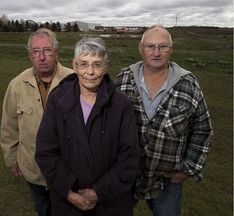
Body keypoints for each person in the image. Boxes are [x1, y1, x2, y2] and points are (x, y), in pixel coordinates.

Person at [115, 24, 214, 216]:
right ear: (140, 48)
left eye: (163, 47)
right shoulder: (124, 79)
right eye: (150, 46)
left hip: (167, 181)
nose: (156, 53)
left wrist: (188, 169)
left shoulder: (188, 84)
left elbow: (203, 129)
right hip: (126, 176)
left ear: (171, 49)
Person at [35, 36, 140, 216]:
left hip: (111, 205)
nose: (90, 72)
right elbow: (46, 152)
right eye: (83, 64)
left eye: (97, 64)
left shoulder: (121, 105)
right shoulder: (58, 100)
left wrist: (98, 192)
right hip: (67, 205)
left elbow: (129, 157)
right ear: (74, 66)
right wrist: (69, 192)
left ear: (106, 67)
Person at [0, 28, 73, 216]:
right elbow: (9, 126)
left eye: (47, 50)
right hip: (34, 170)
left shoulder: (74, 81)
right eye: (36, 51)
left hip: (69, 171)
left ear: (56, 52)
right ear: (29, 55)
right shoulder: (16, 85)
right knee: (44, 210)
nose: (42, 57)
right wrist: (11, 159)